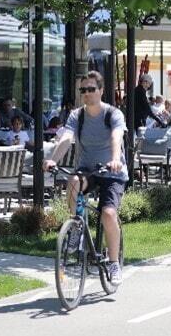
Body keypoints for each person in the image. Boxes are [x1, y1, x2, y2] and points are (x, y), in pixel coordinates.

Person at [43, 70, 126, 285]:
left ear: (101, 91)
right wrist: (53, 159)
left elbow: (117, 137)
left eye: (91, 89)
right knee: (73, 181)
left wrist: (115, 159)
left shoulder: (113, 114)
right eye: (83, 90)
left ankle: (114, 262)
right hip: (88, 170)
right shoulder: (76, 115)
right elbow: (67, 138)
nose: (86, 93)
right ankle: (76, 228)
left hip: (111, 172)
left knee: (108, 214)